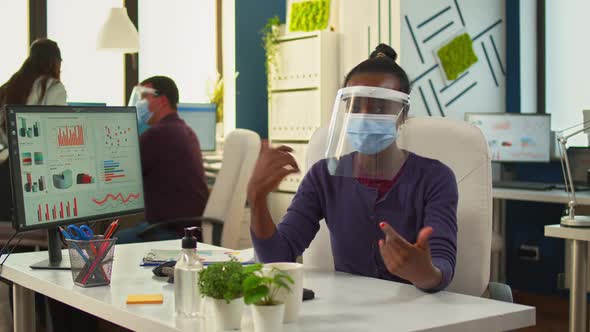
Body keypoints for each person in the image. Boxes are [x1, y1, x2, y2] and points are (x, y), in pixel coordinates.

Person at [248, 44, 458, 292]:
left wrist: (424, 273)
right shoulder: (324, 176)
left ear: (402, 115)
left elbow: (442, 266)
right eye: (356, 107)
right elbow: (278, 258)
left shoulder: (434, 177)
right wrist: (258, 200)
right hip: (348, 312)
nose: (365, 116)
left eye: (379, 107)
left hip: (417, 314)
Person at [117, 76, 209, 243]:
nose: (140, 103)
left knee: (107, 246)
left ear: (162, 100)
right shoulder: (185, 130)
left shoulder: (158, 135)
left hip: (170, 231)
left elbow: (120, 171)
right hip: (187, 229)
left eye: (144, 97)